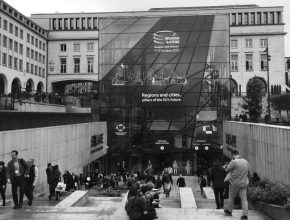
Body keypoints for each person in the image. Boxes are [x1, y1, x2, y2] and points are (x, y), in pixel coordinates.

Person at [224, 150, 251, 220]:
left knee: (231, 197)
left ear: (232, 155)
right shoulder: (246, 161)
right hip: (244, 183)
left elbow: (227, 170)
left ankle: (229, 211)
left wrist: (227, 165)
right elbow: (249, 172)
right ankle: (245, 215)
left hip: (234, 183)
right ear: (238, 154)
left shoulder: (234, 162)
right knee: (244, 199)